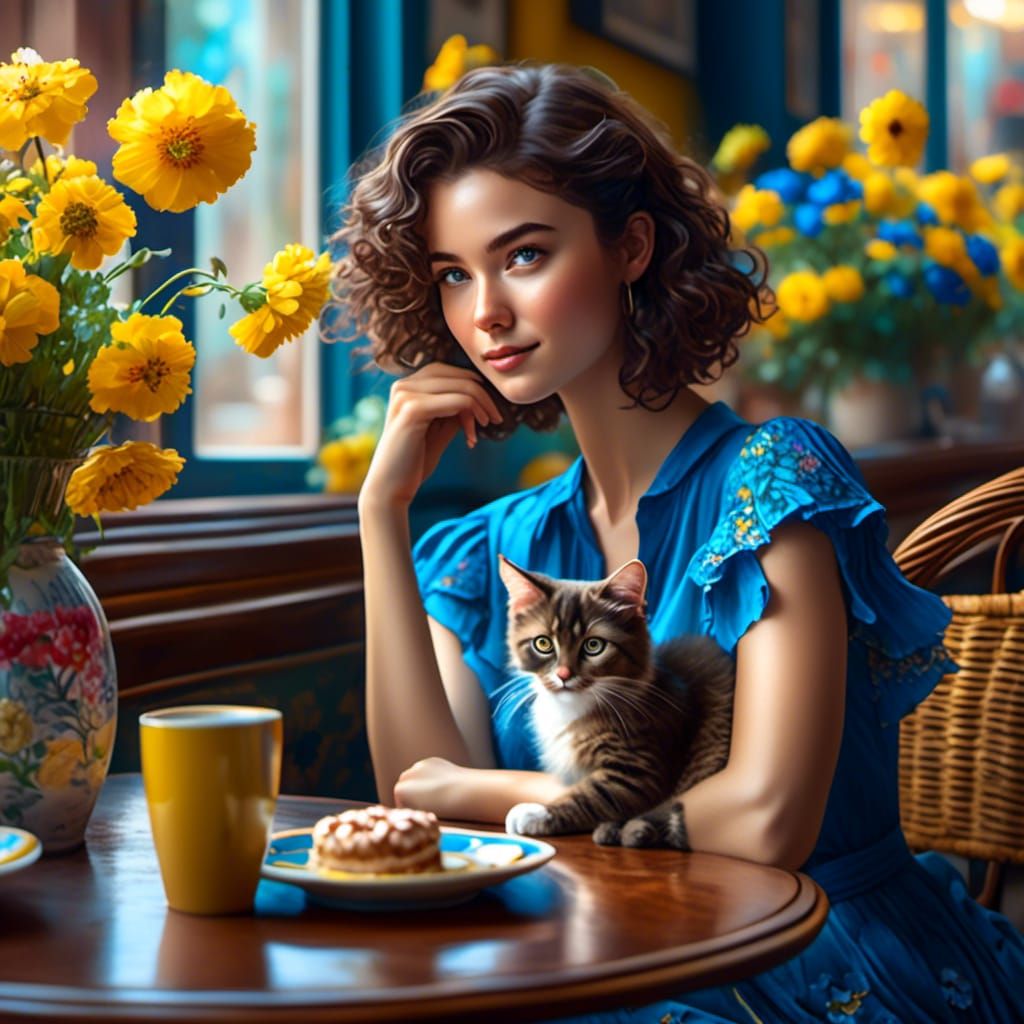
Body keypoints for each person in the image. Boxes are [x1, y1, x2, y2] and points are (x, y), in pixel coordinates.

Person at [331, 62, 1024, 1022]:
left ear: (632, 247)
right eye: (454, 273)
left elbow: (766, 822)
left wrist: (488, 792)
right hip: (585, 954)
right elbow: (415, 806)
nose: (483, 310)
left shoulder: (774, 482)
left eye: (524, 255)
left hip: (810, 965)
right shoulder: (493, 548)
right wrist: (380, 513)